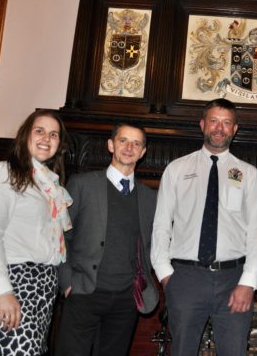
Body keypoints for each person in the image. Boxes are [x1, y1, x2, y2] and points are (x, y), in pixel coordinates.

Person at [151, 98, 257, 356]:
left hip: (233, 279)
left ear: (234, 129)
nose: (219, 128)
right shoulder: (177, 169)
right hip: (185, 278)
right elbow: (161, 224)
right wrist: (165, 274)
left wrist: (249, 281)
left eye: (226, 122)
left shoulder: (249, 175)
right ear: (202, 124)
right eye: (214, 121)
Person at [55, 123, 158, 356]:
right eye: (123, 140)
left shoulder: (149, 197)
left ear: (142, 152)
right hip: (83, 292)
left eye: (136, 143)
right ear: (111, 145)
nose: (129, 147)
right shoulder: (82, 184)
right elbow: (61, 235)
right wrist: (67, 282)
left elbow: (151, 245)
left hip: (126, 299)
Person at [0, 109, 72, 355]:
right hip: (16, 281)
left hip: (45, 285)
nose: (46, 138)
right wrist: (3, 292)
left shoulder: (51, 185)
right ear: (25, 135)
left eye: (53, 134)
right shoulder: (5, 173)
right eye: (39, 131)